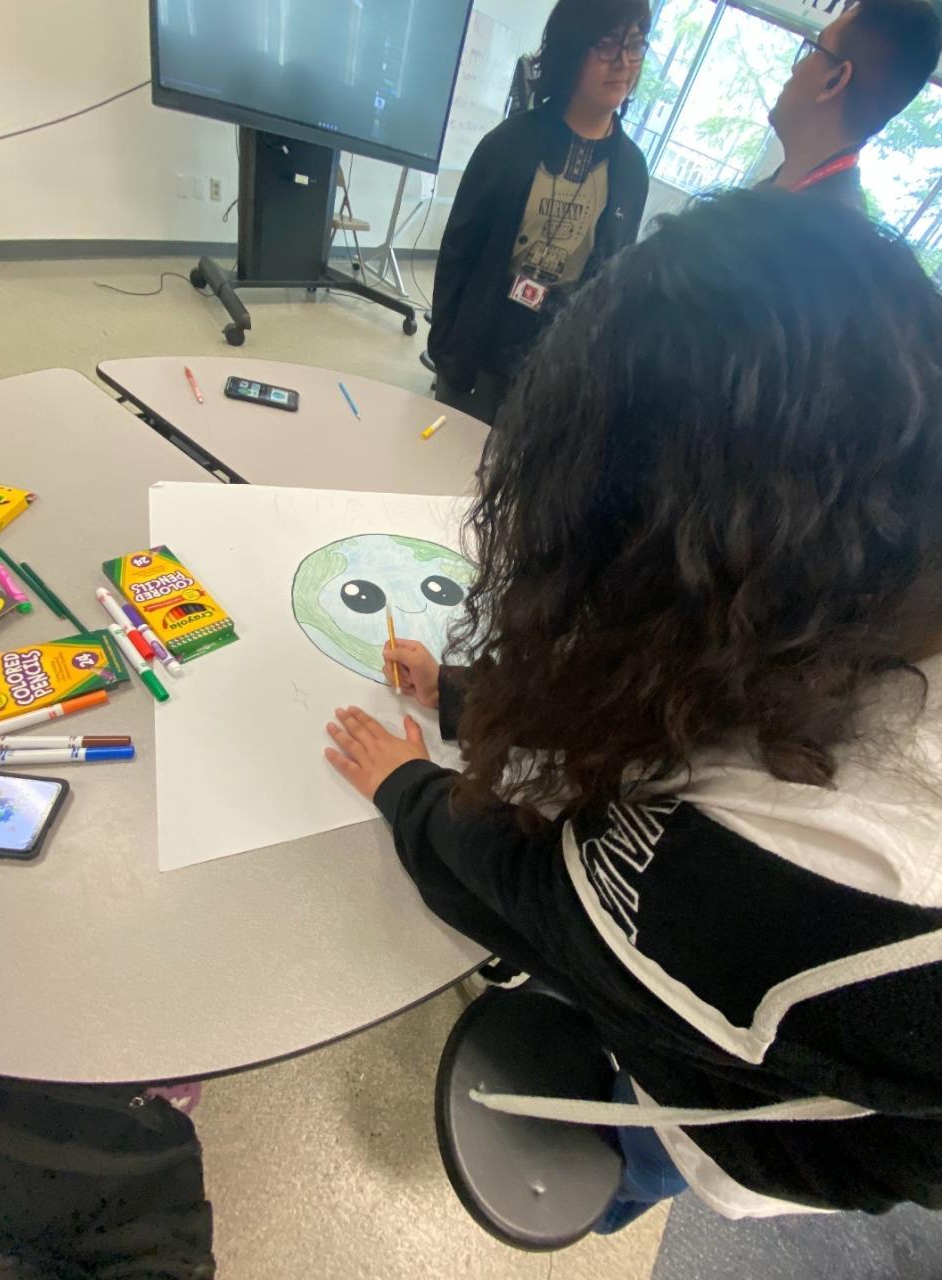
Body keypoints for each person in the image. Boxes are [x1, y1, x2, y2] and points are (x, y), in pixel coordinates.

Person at [325, 188, 942, 1223]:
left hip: (758, 1113)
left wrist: (405, 787)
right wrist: (474, 696)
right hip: (785, 1016)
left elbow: (531, 895)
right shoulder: (857, 587)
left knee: (641, 1139)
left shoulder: (761, 874)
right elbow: (701, 697)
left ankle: (616, 1191)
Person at [428, 0, 651, 426]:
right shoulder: (508, 144)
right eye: (608, 45)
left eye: (636, 45)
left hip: (554, 375)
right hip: (479, 352)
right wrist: (446, 349)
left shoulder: (631, 171)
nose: (624, 63)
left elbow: (610, 284)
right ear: (572, 47)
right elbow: (458, 251)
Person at [766, 0, 942, 205]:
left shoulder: (781, 218)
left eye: (816, 49)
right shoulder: (796, 198)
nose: (796, 67)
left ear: (834, 81)